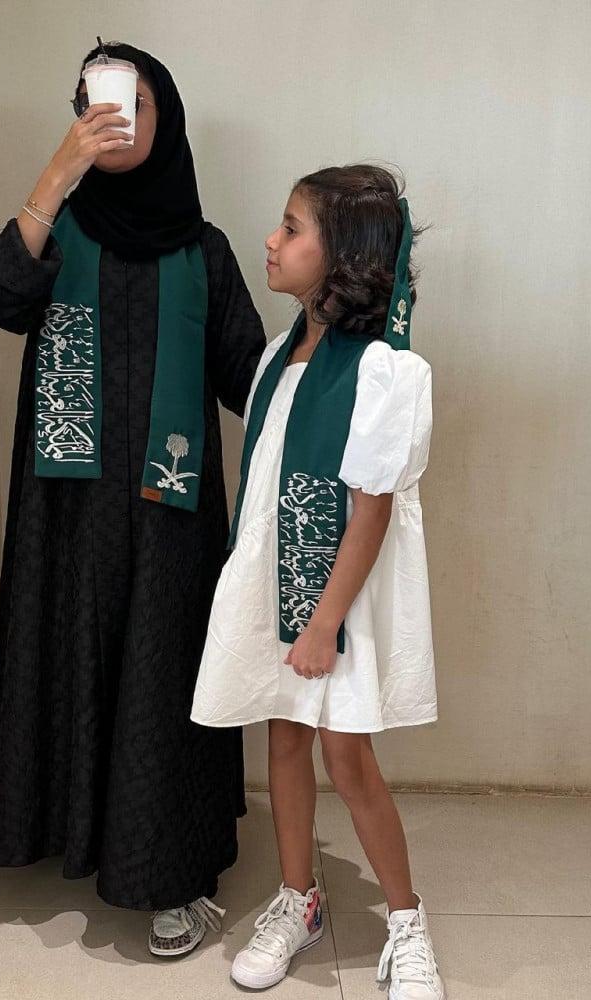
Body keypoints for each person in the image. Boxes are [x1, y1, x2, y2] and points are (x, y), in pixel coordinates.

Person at [0, 41, 266, 957]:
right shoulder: (58, 233)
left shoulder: (205, 252)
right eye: (96, 99)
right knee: (70, 655)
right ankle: (69, 836)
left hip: (171, 520)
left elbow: (249, 380)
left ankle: (169, 874)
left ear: (164, 114)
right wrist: (56, 176)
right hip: (66, 519)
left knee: (163, 677)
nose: (115, 116)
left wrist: (339, 350)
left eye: (134, 98)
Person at [191, 164, 445, 998]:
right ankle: (298, 899)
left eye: (292, 228)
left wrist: (325, 621)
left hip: (341, 599)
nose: (271, 240)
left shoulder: (383, 371)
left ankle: (405, 920)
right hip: (282, 584)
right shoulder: (276, 356)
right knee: (285, 736)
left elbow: (371, 511)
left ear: (345, 258)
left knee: (347, 753)